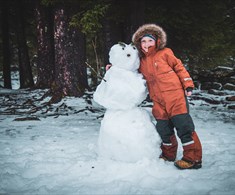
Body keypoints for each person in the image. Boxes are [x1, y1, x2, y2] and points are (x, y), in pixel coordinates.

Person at [130, 23, 202, 169]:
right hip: (158, 100)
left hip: (175, 97)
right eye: (143, 41)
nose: (147, 44)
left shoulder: (165, 53)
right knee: (163, 129)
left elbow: (179, 67)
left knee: (184, 127)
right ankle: (168, 154)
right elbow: (129, 68)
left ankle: (192, 158)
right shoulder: (141, 60)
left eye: (150, 40)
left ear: (157, 41)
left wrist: (188, 84)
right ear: (139, 43)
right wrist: (114, 67)